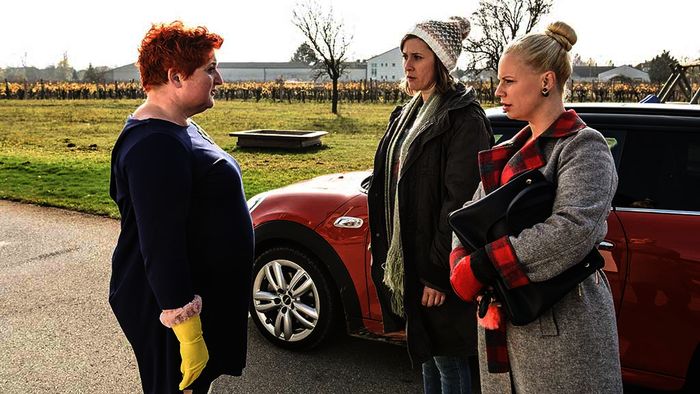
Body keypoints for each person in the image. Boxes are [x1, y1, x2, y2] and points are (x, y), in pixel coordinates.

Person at [449, 21, 623, 393]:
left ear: (546, 81)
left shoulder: (582, 147)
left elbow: (573, 229)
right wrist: (460, 257)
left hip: (563, 328)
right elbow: (469, 214)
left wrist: (483, 265)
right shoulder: (510, 149)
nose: (498, 90)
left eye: (508, 81)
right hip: (503, 321)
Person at [109, 21, 254, 393]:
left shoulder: (176, 125)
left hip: (192, 300)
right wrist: (188, 335)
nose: (219, 78)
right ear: (175, 76)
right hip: (169, 312)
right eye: (210, 68)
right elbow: (161, 245)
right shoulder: (154, 145)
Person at [367, 16, 494, 394]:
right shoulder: (407, 113)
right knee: (426, 354)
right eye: (406, 55)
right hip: (412, 258)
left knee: (448, 360)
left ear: (440, 61)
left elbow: (461, 202)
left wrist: (438, 273)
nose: (407, 65)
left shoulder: (463, 119)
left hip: (438, 266)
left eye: (417, 57)